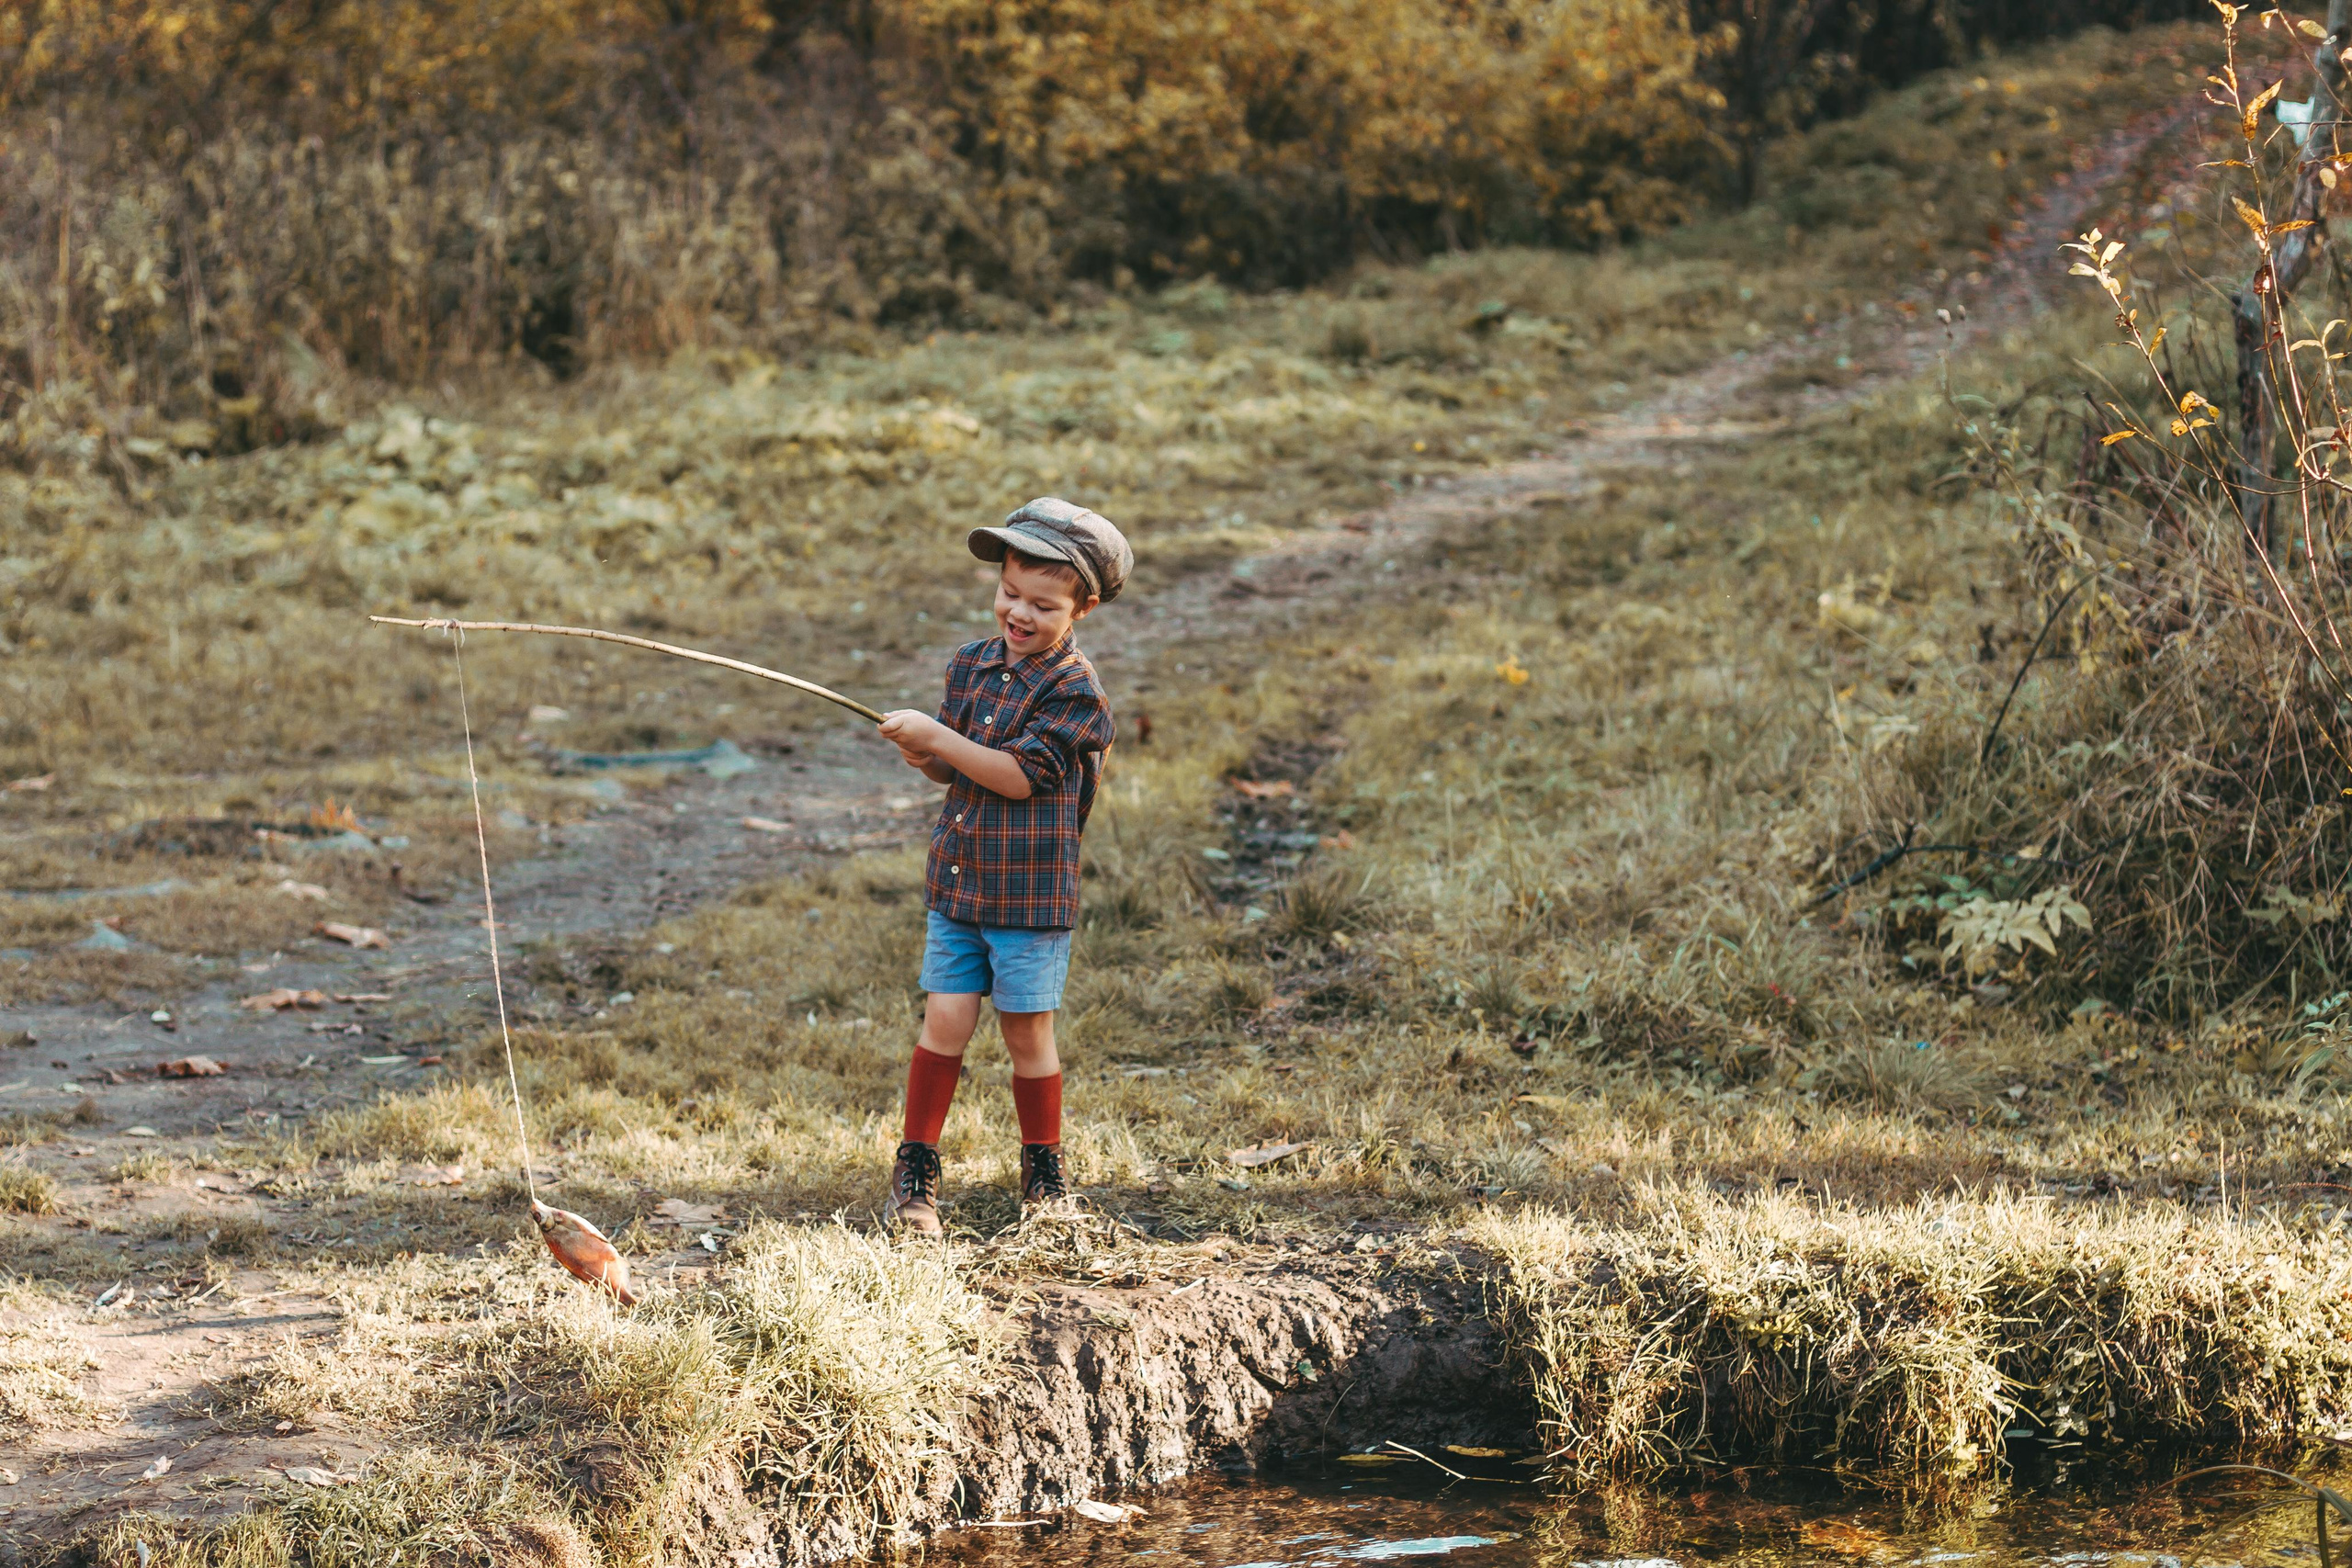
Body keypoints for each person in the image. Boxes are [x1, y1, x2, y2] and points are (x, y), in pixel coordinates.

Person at [874, 497, 1133, 1234]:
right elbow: (954, 769)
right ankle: (916, 1168)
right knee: (944, 1021)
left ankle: (1043, 1169)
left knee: (1026, 1033)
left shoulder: (1075, 692)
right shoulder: (971, 664)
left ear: (1082, 609)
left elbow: (1018, 777)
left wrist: (940, 739)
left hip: (1029, 898)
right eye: (1009, 592)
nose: (1019, 613)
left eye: (1042, 605)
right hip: (960, 884)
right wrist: (924, 752)